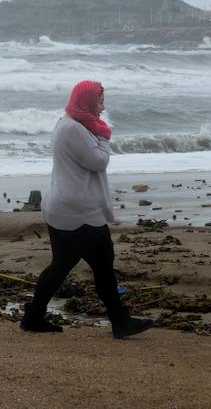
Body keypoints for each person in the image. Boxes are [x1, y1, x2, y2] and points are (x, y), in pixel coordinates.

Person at [20, 80, 153, 338]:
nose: (103, 107)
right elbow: (97, 161)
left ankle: (34, 316)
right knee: (102, 266)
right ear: (87, 102)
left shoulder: (72, 124)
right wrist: (105, 140)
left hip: (68, 206)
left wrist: (100, 136)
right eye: (100, 101)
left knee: (62, 264)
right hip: (77, 210)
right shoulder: (74, 129)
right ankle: (120, 321)